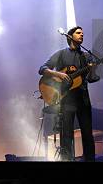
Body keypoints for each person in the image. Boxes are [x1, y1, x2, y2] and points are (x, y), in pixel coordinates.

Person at [39, 26, 99, 161]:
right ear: (70, 36)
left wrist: (93, 69)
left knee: (87, 134)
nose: (82, 35)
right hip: (66, 99)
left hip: (83, 98)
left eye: (83, 33)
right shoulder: (61, 54)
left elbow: (91, 79)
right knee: (66, 134)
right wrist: (58, 74)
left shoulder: (87, 56)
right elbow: (42, 68)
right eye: (78, 33)